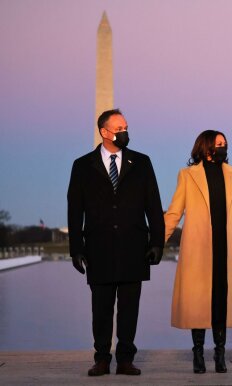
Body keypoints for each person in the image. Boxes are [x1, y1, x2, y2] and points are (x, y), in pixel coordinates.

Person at [67, 109, 165, 376]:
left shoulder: (142, 163)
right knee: (101, 308)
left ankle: (125, 359)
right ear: (104, 132)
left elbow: (154, 205)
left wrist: (157, 242)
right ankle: (101, 358)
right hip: (98, 248)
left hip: (135, 247)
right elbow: (75, 210)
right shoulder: (82, 165)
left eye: (126, 127)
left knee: (129, 309)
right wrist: (76, 248)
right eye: (119, 128)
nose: (125, 132)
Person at [164, 130, 232, 374]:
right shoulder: (188, 175)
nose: (223, 147)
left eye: (225, 143)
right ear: (205, 147)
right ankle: (198, 353)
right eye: (218, 143)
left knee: (221, 302)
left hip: (227, 248)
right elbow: (174, 212)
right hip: (199, 250)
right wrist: (157, 241)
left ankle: (220, 353)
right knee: (200, 304)